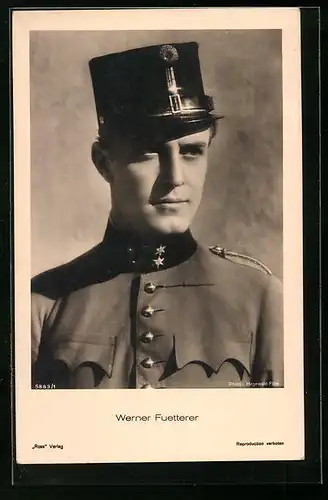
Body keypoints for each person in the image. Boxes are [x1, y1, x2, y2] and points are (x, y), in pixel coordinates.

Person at [31, 42, 283, 389]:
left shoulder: (261, 299)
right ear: (104, 163)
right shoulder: (42, 303)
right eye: (149, 153)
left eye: (192, 151)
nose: (175, 176)